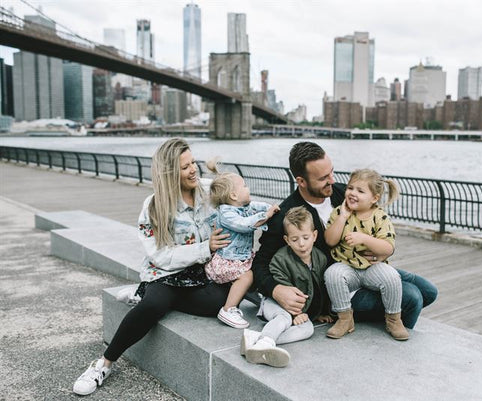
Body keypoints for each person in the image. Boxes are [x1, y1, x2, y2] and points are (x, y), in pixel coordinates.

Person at [72, 138, 231, 396]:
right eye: (185, 167)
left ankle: (147, 294)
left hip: (203, 272)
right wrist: (205, 248)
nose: (193, 170)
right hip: (166, 272)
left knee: (218, 303)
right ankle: (104, 364)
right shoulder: (153, 206)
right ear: (169, 173)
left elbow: (240, 200)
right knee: (154, 305)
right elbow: (160, 256)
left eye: (193, 163)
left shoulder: (210, 191)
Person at [252, 142, 437, 331]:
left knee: (429, 292)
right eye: (323, 178)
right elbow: (260, 263)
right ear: (301, 181)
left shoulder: (343, 193)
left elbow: (378, 223)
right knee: (412, 297)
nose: (332, 180)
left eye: (331, 172)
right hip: (338, 286)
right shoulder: (287, 215)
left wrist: (383, 252)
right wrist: (276, 290)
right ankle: (391, 339)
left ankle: (386, 324)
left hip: (366, 267)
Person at [241, 206, 332, 367]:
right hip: (275, 303)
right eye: (295, 239)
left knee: (308, 329)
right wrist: (296, 313)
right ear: (287, 240)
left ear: (314, 236)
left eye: (305, 237)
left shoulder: (320, 258)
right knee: (284, 318)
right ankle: (265, 343)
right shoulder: (281, 259)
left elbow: (319, 288)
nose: (301, 244)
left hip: (298, 310)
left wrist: (320, 312)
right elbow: (284, 290)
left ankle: (257, 340)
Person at [324, 168, 409, 340]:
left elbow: (388, 248)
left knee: (392, 277)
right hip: (347, 268)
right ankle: (345, 318)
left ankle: (393, 319)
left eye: (360, 191)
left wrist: (364, 238)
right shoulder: (339, 212)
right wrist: (342, 217)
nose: (352, 193)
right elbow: (330, 241)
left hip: (371, 268)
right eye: (350, 188)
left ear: (374, 198)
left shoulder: (380, 217)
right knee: (332, 274)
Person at [204, 160, 280, 329]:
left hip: (240, 258)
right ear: (233, 195)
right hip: (227, 261)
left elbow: (258, 206)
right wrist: (266, 216)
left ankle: (250, 294)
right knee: (246, 276)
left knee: (258, 268)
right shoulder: (226, 213)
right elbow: (244, 225)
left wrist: (273, 209)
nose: (248, 188)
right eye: (244, 186)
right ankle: (228, 309)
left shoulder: (245, 207)